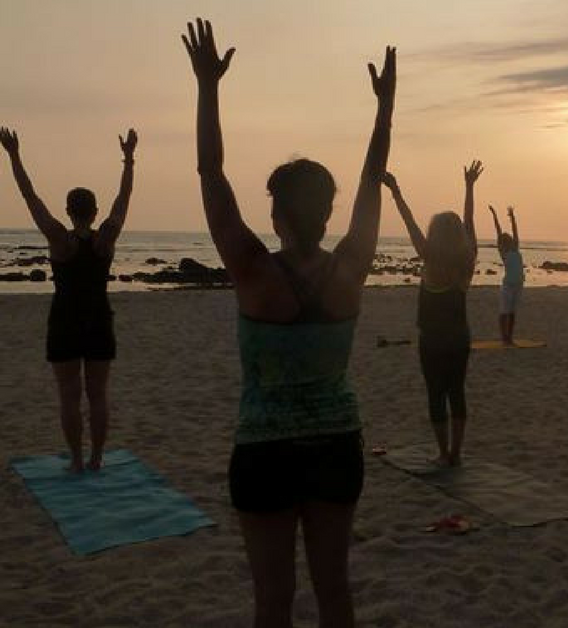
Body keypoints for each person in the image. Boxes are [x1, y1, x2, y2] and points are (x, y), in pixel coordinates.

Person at [182, 19, 395, 627]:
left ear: (274, 214)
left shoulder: (252, 269)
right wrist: (383, 111)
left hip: (264, 451)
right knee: (334, 590)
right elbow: (371, 179)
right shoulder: (351, 269)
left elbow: (210, 174)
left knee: (273, 599)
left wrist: (208, 87)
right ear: (329, 214)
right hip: (335, 445)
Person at [1, 125, 137, 473]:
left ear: (68, 210)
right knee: (98, 395)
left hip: (64, 322)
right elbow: (123, 202)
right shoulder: (105, 239)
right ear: (94, 212)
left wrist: (13, 155)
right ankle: (96, 459)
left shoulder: (60, 240)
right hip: (98, 320)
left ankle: (77, 461)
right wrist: (128, 159)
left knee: (69, 397)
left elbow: (30, 197)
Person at [383, 160, 483, 467]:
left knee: (435, 394)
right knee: (457, 392)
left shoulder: (428, 258)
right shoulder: (466, 263)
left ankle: (443, 453)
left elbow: (409, 221)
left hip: (432, 342)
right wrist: (469, 187)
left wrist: (396, 192)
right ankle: (456, 452)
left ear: (434, 234)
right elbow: (469, 221)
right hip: (459, 340)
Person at [488, 204, 524, 345]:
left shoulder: (515, 248)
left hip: (519, 284)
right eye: (505, 238)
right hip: (508, 286)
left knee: (512, 312)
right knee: (504, 312)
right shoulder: (504, 253)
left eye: (508, 238)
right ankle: (504, 337)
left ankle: (510, 337)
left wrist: (512, 217)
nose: (508, 238)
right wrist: (494, 215)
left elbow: (515, 232)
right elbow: (498, 231)